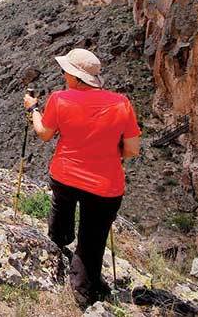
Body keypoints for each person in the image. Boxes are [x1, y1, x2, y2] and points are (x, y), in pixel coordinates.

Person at [23, 47, 141, 308]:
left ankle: (59, 244)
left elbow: (44, 134)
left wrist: (33, 110)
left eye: (66, 71)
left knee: (61, 212)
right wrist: (107, 149)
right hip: (105, 185)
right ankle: (83, 292)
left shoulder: (60, 99)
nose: (63, 74)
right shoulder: (121, 104)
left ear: (76, 78)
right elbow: (132, 150)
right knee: (92, 239)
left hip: (65, 176)